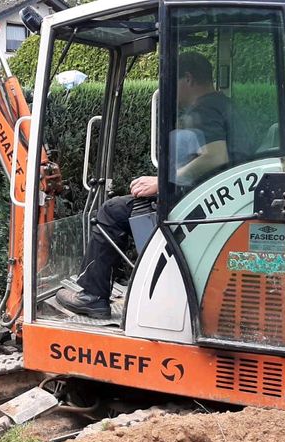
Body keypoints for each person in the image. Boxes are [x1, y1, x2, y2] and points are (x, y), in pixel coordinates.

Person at [56, 51, 239, 318]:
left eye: (171, 83)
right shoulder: (225, 104)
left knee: (111, 211)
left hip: (197, 203)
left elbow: (215, 156)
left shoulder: (204, 108)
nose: (170, 93)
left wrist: (164, 182)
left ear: (187, 79)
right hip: (214, 197)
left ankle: (93, 296)